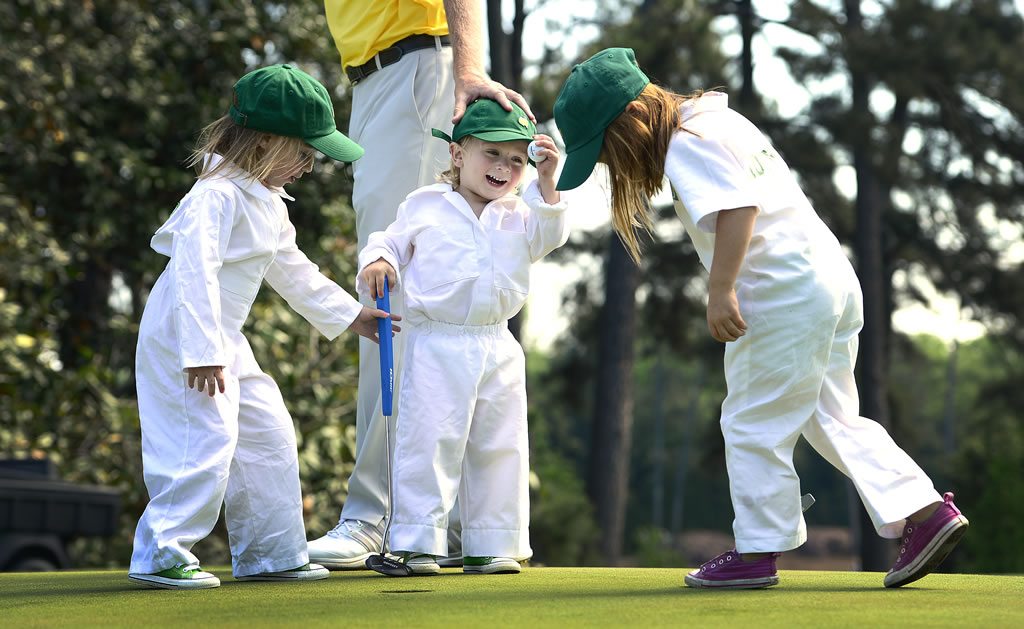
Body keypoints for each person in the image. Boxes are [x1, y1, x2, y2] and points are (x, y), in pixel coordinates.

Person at [552, 48, 969, 589]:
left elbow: (738, 207)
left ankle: (757, 550)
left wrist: (721, 288)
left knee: (751, 422)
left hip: (780, 292)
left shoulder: (685, 143)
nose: (613, 165)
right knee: (833, 418)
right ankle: (925, 509)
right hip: (828, 278)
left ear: (628, 122)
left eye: (607, 151)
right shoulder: (720, 118)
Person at [128, 64, 398, 590]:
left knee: (268, 432)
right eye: (304, 152)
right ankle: (160, 550)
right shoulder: (215, 196)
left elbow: (292, 270)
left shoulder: (267, 202)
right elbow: (194, 272)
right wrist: (202, 350)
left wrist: (351, 316)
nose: (310, 166)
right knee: (203, 440)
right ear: (267, 141)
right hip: (186, 336)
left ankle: (271, 552)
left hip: (227, 340)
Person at [310, 0, 534, 569]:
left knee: (394, 302)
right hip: (379, 80)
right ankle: (437, 522)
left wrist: (466, 69)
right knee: (396, 295)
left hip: (414, 72)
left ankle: (379, 516)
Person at [355, 98, 567, 575]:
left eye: (516, 159)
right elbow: (386, 241)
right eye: (492, 153)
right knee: (429, 439)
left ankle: (490, 542)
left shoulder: (520, 213)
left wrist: (548, 182)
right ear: (456, 155)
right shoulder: (424, 204)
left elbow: (550, 236)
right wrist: (380, 262)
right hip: (437, 342)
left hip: (498, 344)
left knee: (501, 442)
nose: (504, 167)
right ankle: (414, 542)